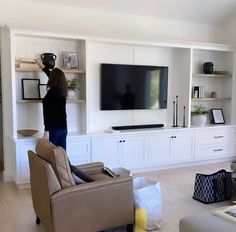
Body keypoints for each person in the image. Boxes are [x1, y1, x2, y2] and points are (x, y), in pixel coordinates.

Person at [35, 59, 93, 182]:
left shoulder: (51, 95)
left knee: (53, 158)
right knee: (63, 158)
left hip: (53, 130)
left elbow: (48, 115)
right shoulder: (62, 92)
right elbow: (51, 74)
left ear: (52, 80)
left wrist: (46, 131)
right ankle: (73, 178)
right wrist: (41, 65)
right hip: (63, 129)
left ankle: (69, 179)